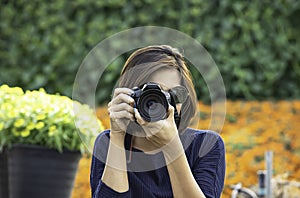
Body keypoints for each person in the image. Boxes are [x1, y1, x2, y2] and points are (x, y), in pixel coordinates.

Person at [90, 45, 226, 198]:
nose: (162, 103)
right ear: (128, 95)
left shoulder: (205, 145)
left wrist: (172, 146)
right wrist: (118, 135)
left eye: (174, 94)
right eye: (151, 94)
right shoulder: (108, 143)